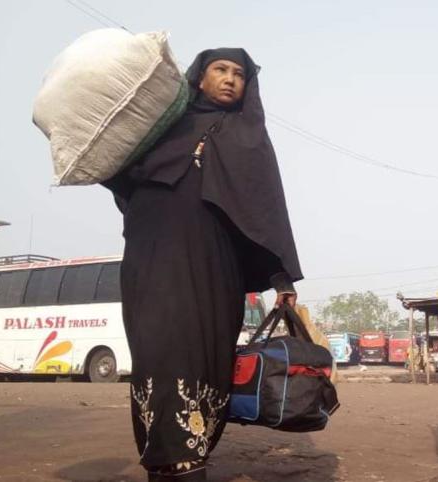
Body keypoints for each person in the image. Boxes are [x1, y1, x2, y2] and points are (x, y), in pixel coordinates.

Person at [103, 48, 302, 481]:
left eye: (239, 74)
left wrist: (281, 278)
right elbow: (122, 172)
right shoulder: (163, 126)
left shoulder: (250, 139)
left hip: (215, 271)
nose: (230, 79)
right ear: (199, 77)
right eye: (220, 69)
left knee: (205, 361)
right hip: (152, 262)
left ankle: (188, 459)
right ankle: (170, 462)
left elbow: (265, 213)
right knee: (159, 355)